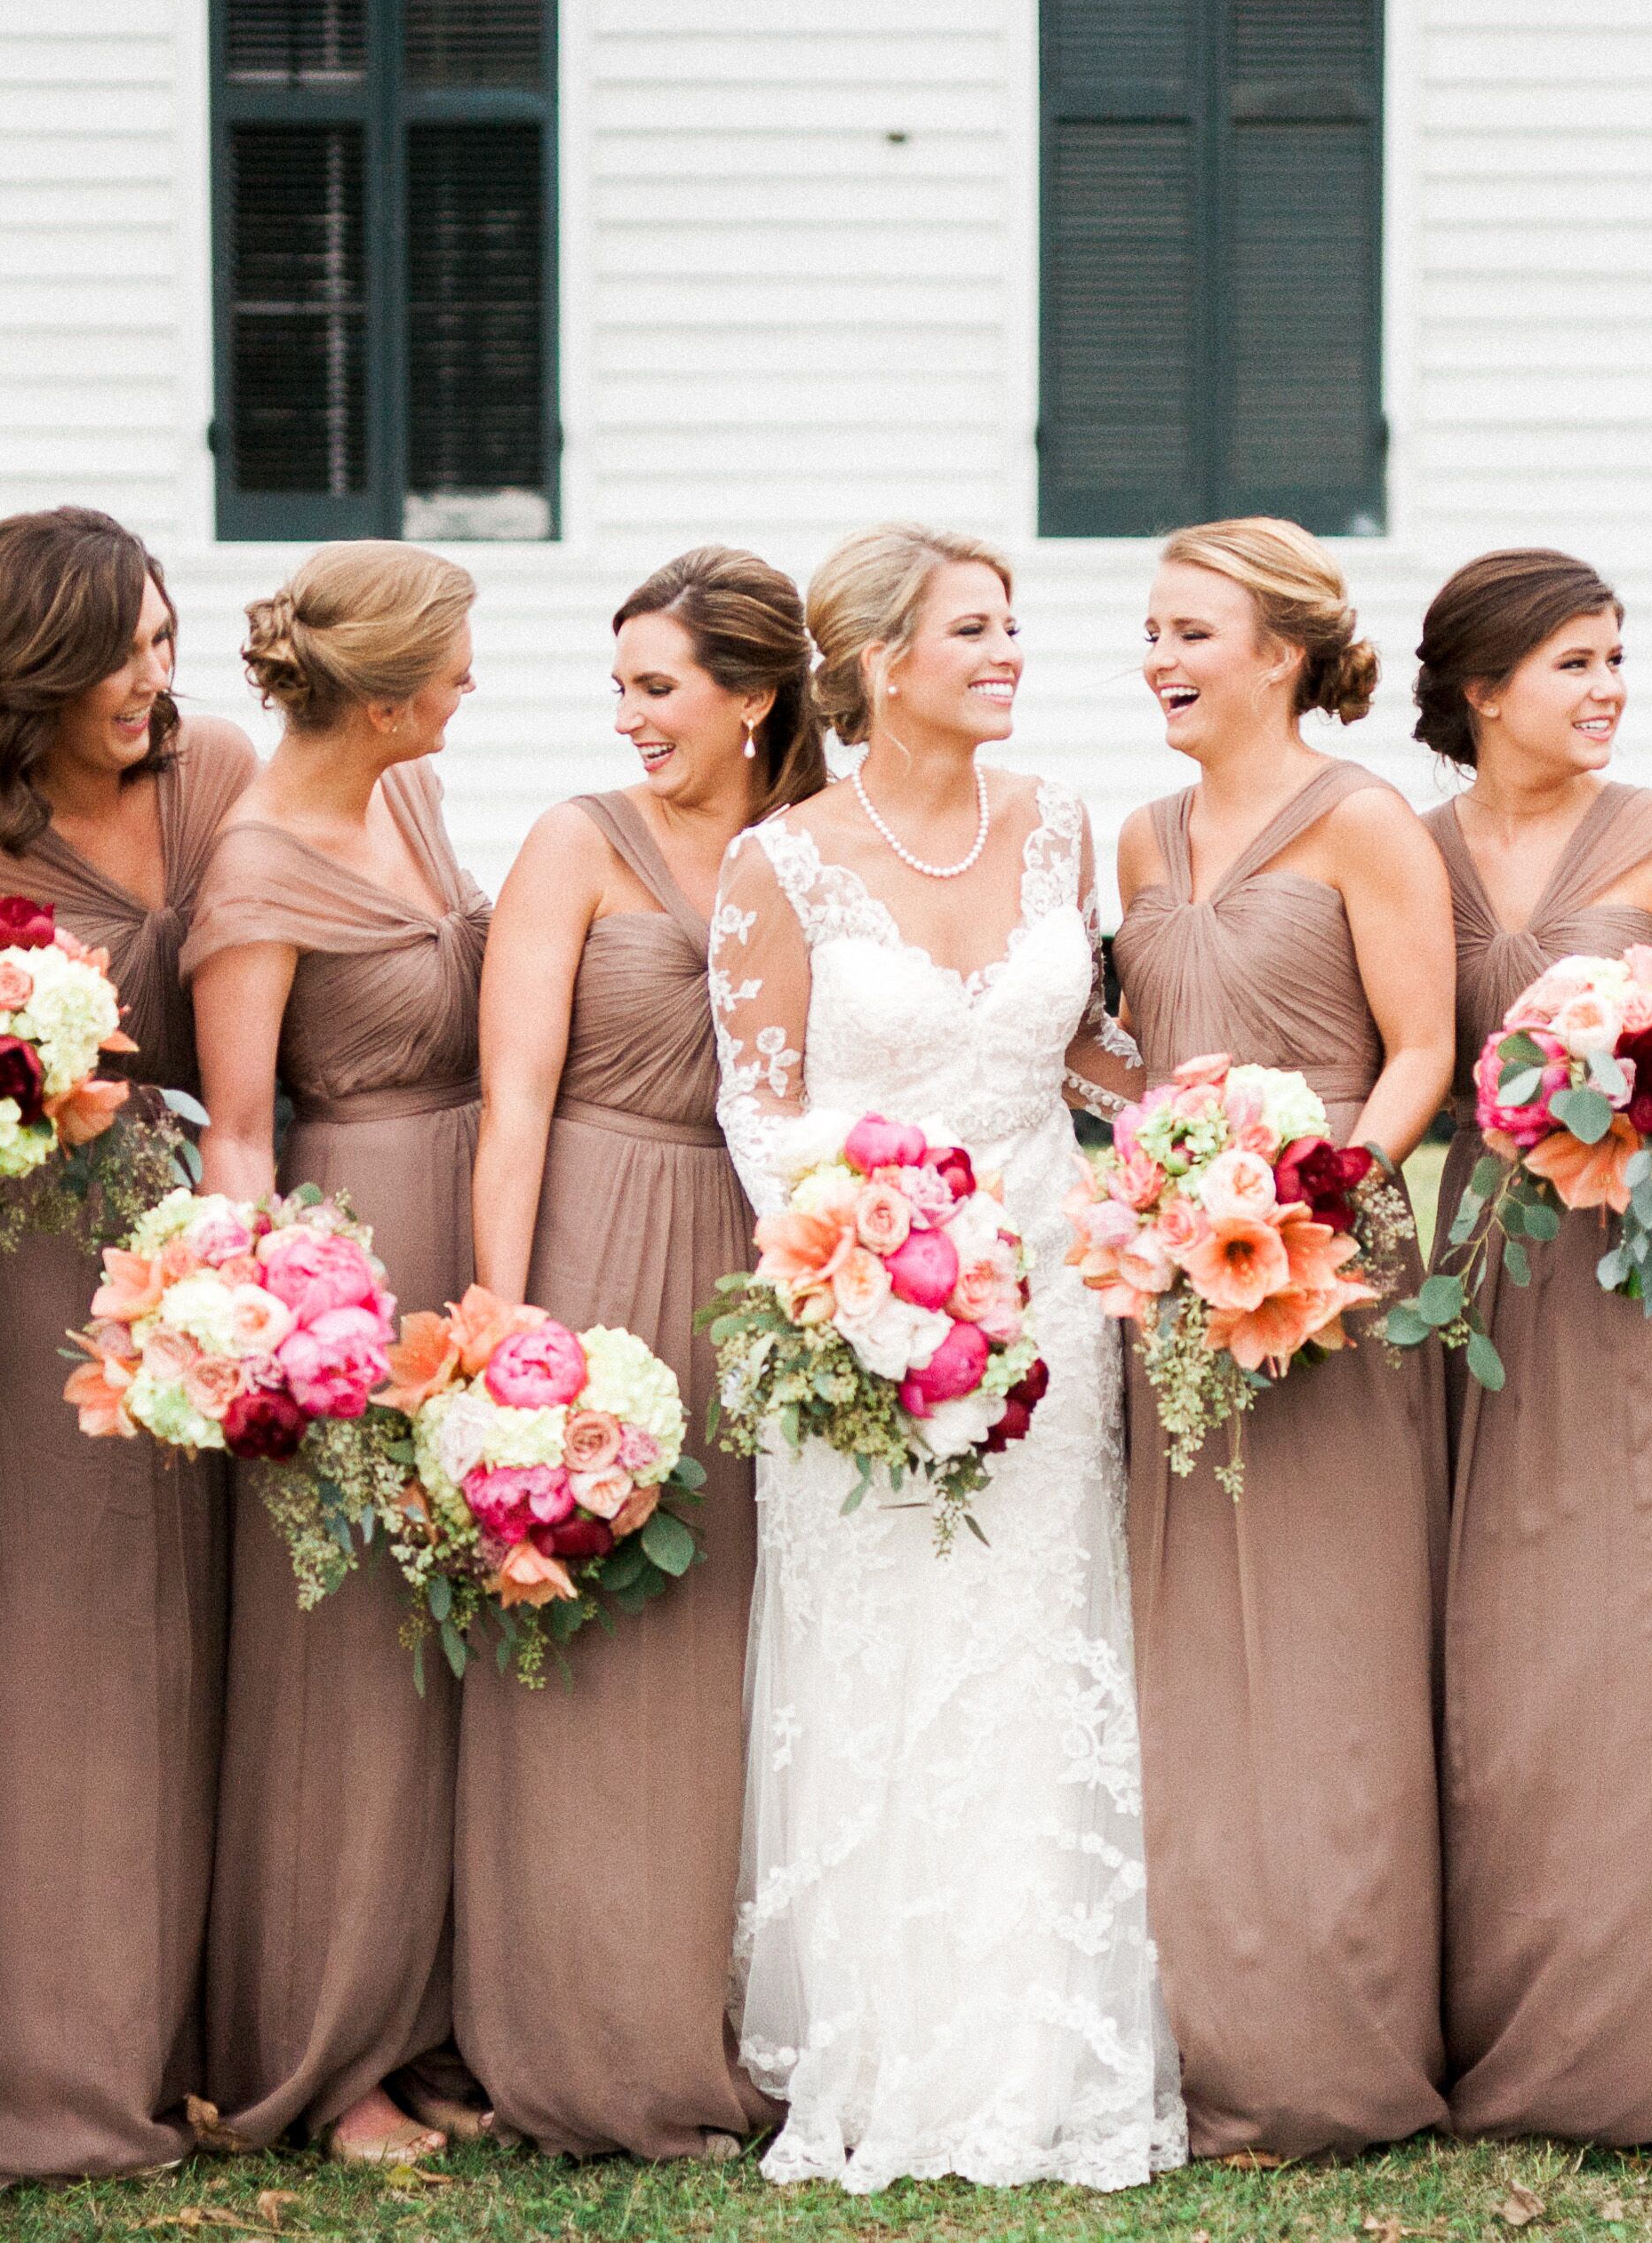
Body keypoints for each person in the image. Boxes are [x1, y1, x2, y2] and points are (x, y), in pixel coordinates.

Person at [710, 521, 1184, 2192]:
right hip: (868, 1300)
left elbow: (1089, 1047)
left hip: (1054, 1282)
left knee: (1045, 1627)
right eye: (974, 630)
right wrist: (872, 1272)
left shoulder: (1056, 825)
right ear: (877, 666)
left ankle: (1053, 2038)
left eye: (1008, 628)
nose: (1009, 653)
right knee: (888, 1644)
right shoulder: (780, 865)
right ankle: (890, 2046)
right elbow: (757, 1104)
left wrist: (1206, 1142)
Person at [0, 507, 253, 2192]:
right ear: (30, 660)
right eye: (119, 654)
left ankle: (225, 2033)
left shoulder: (219, 775)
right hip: (46, 1278)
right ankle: (48, 2054)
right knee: (68, 1655)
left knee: (242, 1646)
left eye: (166, 646)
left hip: (244, 1251)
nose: (150, 685)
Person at [1414, 547, 1652, 2143]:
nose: (1609, 689)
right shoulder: (1408, 850)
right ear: (1483, 689)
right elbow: (1408, 1068)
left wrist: (1647, 1117)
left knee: (1647, 1625)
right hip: (1486, 1266)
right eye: (1575, 662)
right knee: (1497, 1635)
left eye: (1617, 658)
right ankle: (1491, 1998)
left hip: (1648, 1272)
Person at [451, 548, 816, 2159]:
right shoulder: (573, 845)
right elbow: (511, 1102)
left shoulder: (810, 850)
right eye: (621, 689)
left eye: (658, 689)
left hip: (761, 1254)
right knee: (596, 1627)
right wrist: (504, 1328)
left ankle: (726, 2005)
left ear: (752, 700)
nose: (630, 719)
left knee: (741, 1621)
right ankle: (575, 2026)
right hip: (598, 1234)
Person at [1106, 517, 1453, 2159]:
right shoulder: (1138, 840)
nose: (1159, 658)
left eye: (1190, 633)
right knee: (1186, 1646)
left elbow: (1421, 1053)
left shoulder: (1366, 823)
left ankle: (1334, 2038)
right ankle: (1205, 2026)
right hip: (1171, 1266)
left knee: (1326, 1645)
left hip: (1325, 1259)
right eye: (1152, 632)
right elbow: (1134, 1052)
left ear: (1281, 657)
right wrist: (1149, 1187)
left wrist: (1313, 1195)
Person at [183, 541, 491, 2165]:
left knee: (453, 1645)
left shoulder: (415, 801)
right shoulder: (250, 874)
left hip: (472, 1229)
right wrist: (285, 1339)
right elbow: (237, 1134)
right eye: (451, 663)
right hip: (349, 1249)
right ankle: (325, 2049)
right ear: (377, 698)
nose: (468, 687)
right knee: (347, 1668)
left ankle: (435, 2016)